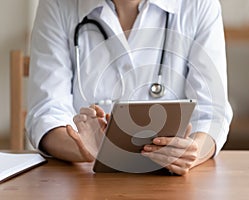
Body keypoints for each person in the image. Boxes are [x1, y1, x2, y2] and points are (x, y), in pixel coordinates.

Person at [26, 0, 233, 175]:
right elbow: (46, 111)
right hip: (86, 181)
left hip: (169, 184)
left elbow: (212, 113)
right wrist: (85, 149)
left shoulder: (198, 5)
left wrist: (193, 151)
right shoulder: (57, 4)